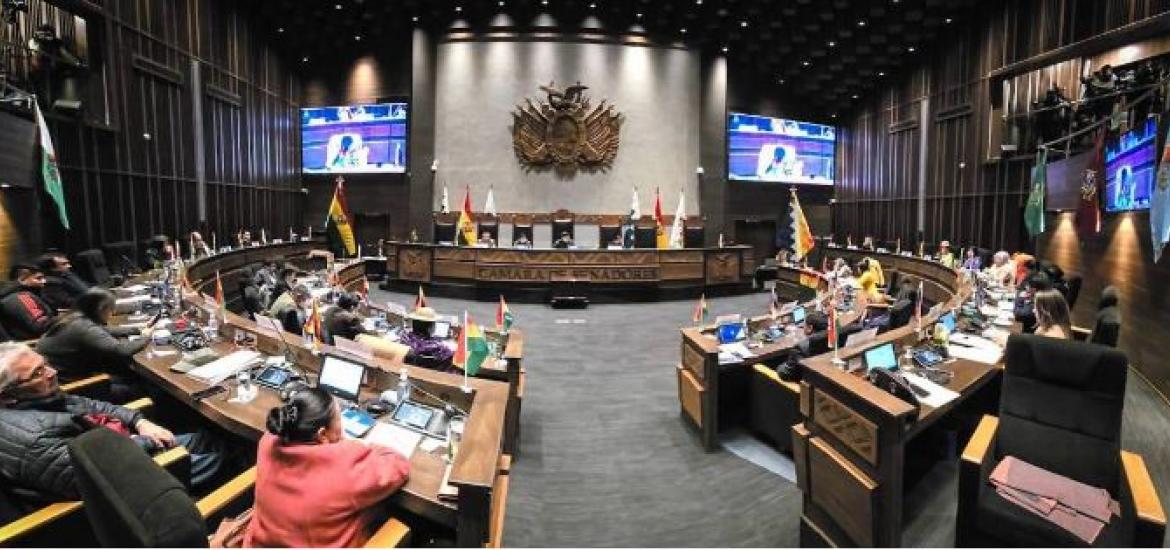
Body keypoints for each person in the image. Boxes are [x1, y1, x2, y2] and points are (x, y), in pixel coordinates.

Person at [0, 343, 223, 501]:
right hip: (126, 486)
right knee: (223, 459)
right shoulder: (33, 439)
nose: (53, 373)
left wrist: (140, 421)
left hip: (123, 446)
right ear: (7, 395)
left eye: (45, 364)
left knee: (203, 437)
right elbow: (98, 473)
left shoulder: (40, 398)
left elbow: (96, 406)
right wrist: (146, 441)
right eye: (37, 373)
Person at [244, 388, 410, 547]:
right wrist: (355, 445)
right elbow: (399, 465)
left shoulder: (269, 439)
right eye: (339, 419)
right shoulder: (342, 463)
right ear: (322, 434)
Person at [35, 288, 151, 400]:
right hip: (76, 388)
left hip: (69, 377)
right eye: (111, 309)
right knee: (147, 387)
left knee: (127, 373)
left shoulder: (74, 317)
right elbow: (121, 350)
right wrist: (148, 337)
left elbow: (104, 330)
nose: (113, 313)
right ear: (101, 309)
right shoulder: (83, 327)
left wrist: (138, 330)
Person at [0, 263, 57, 341]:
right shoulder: (21, 296)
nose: (44, 281)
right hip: (31, 344)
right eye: (38, 278)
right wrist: (66, 319)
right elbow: (41, 326)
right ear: (22, 279)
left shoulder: (28, 293)